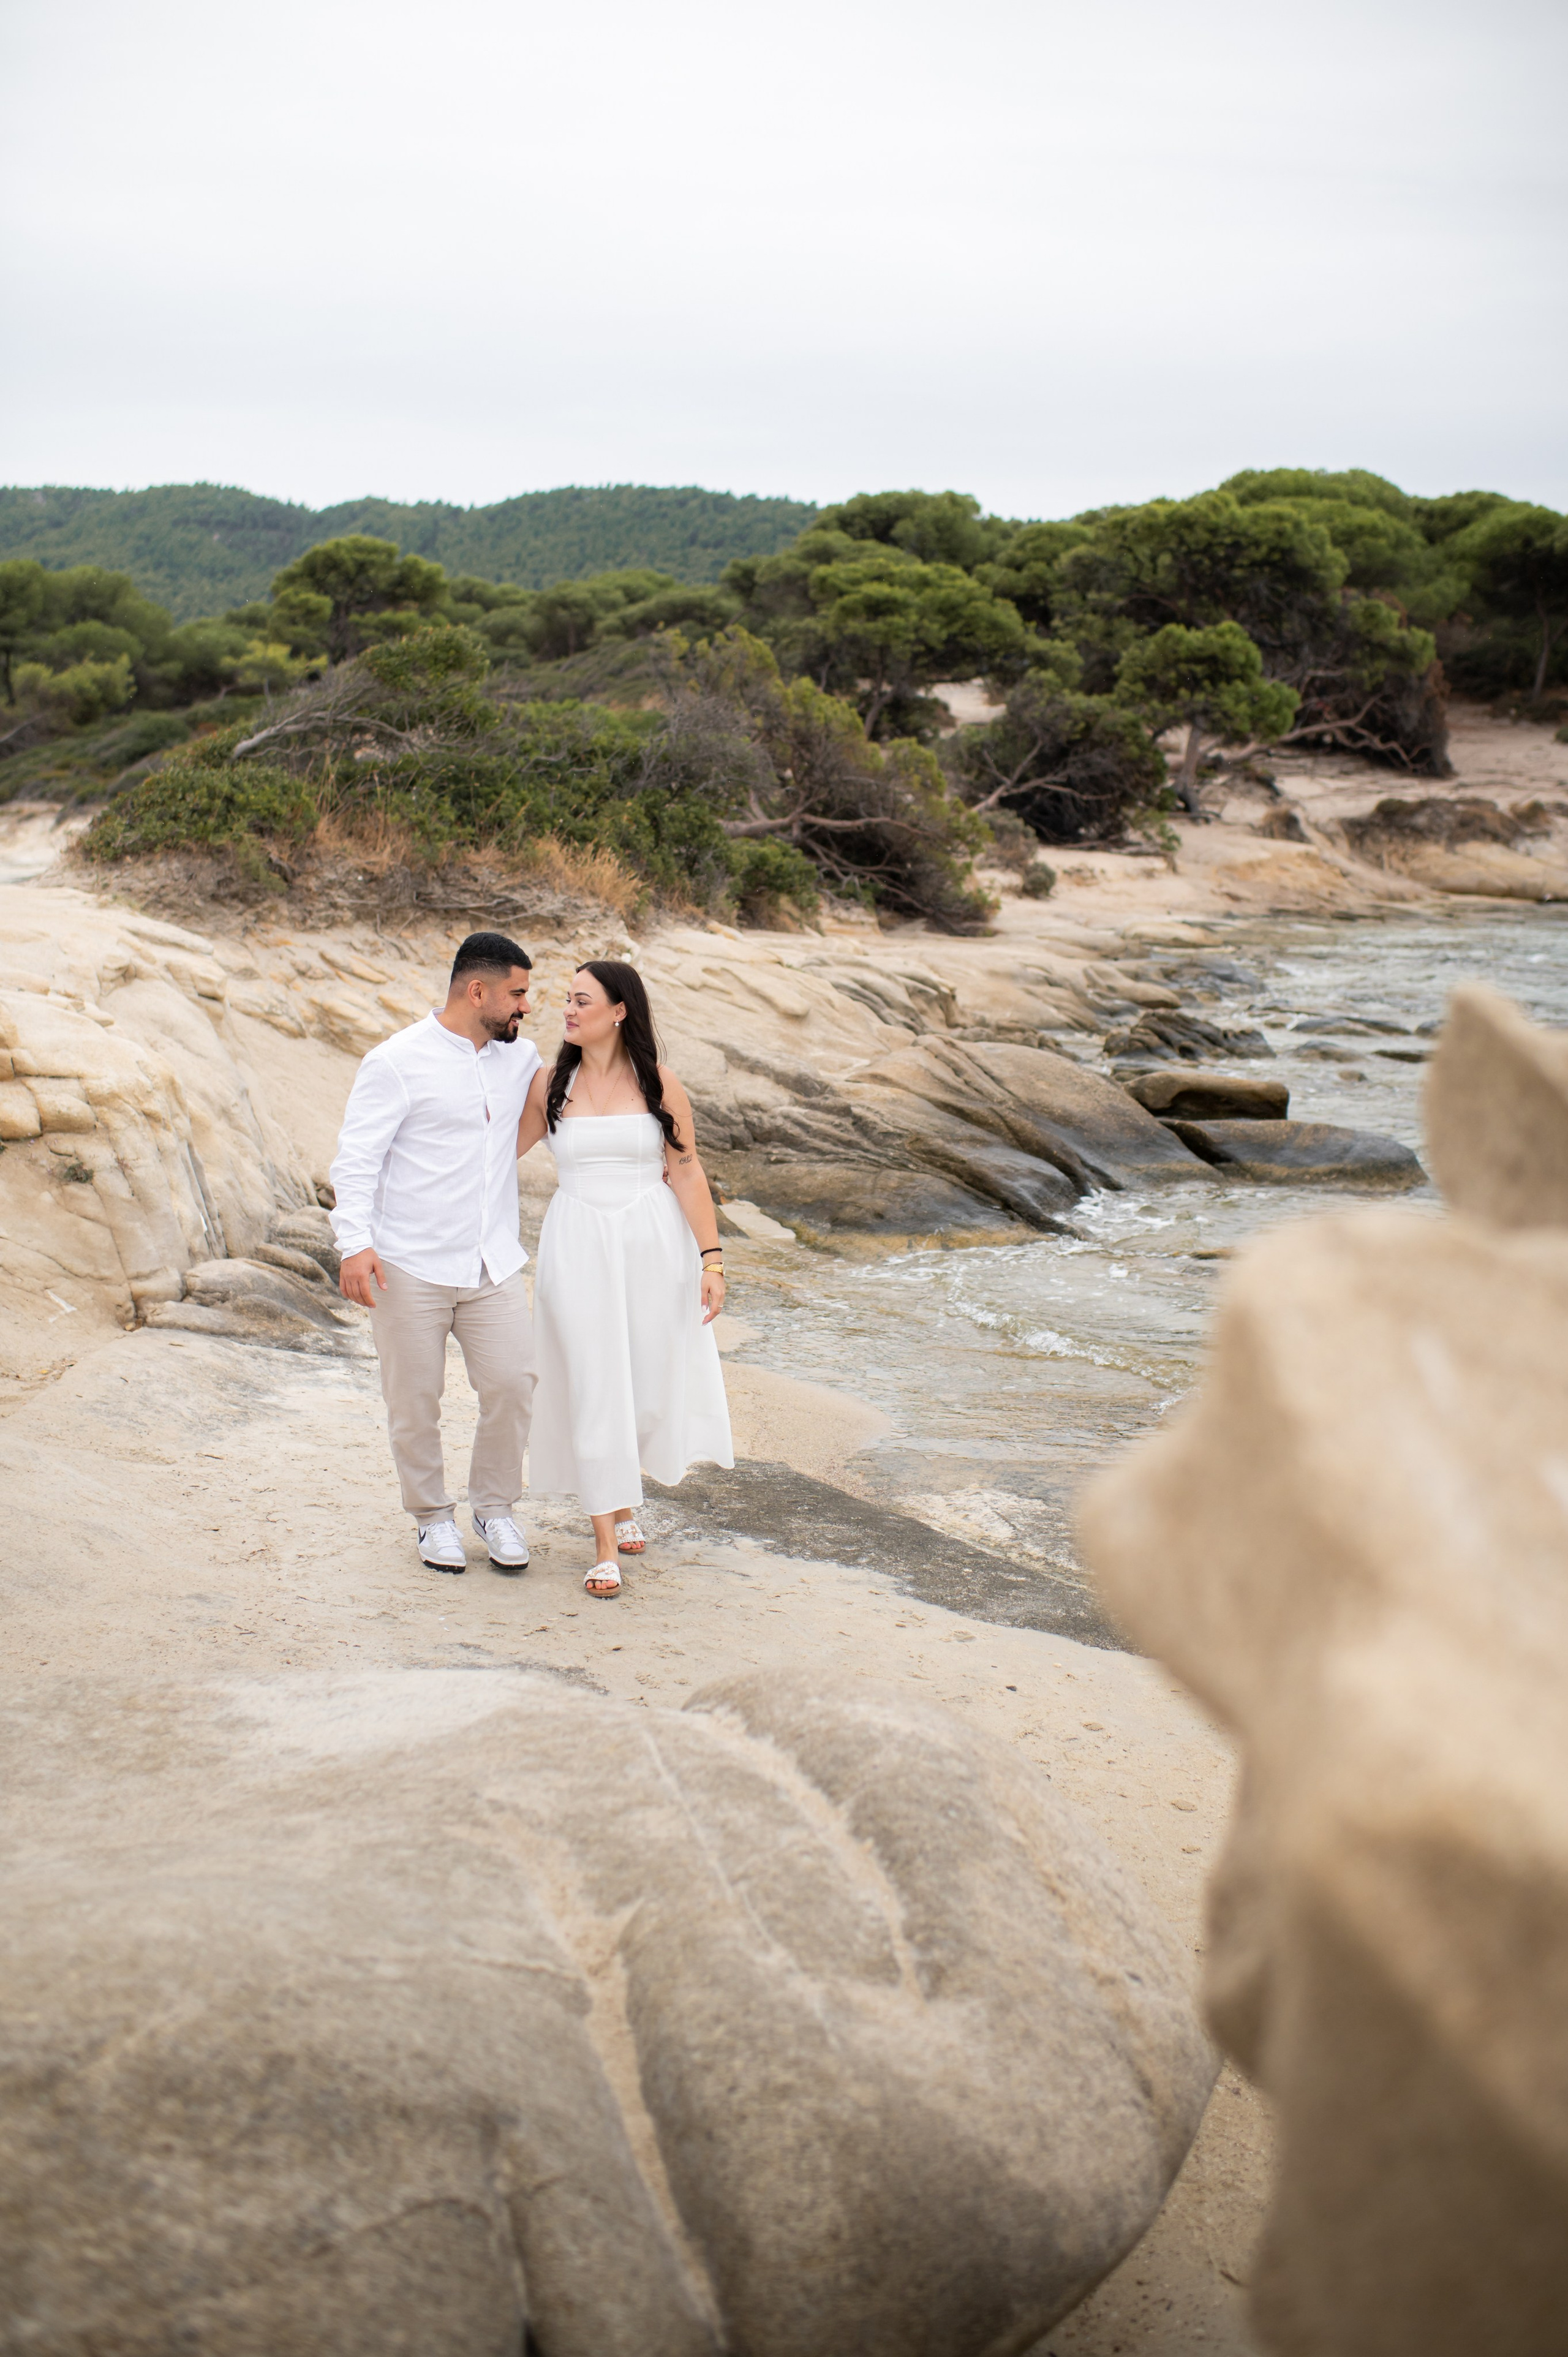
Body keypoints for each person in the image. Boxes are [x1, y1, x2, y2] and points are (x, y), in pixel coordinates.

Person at [518, 959, 733, 1598]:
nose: (568, 1009)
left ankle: (624, 1497)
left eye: (582, 1000)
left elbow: (688, 1173)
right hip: (577, 1241)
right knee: (591, 1379)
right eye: (565, 1000)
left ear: (619, 1010)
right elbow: (496, 1155)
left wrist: (712, 1258)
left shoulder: (659, 1082)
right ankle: (604, 1543)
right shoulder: (548, 1083)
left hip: (652, 1243)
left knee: (638, 1381)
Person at [330, 931, 540, 1575]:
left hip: (491, 1263)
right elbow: (357, 1159)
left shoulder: (522, 1056)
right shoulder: (396, 1060)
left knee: (512, 1383)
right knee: (415, 1399)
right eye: (517, 993)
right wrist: (354, 1244)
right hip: (409, 1264)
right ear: (476, 991)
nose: (525, 1007)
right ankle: (430, 1518)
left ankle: (494, 1507)